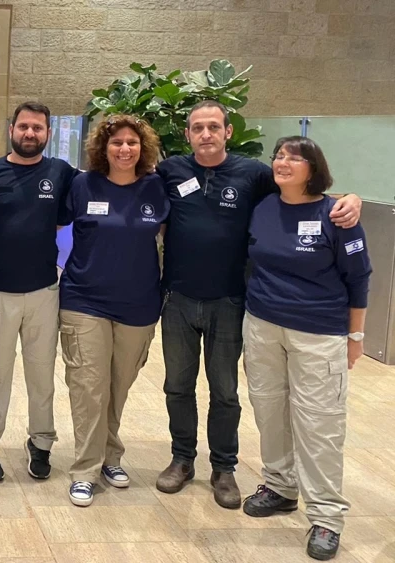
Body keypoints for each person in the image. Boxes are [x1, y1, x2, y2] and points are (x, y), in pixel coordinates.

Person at [155, 100, 362, 509]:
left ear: (228, 132)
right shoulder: (170, 170)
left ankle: (223, 467)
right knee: (177, 385)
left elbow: (304, 189)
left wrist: (351, 197)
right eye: (198, 128)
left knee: (225, 389)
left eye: (214, 126)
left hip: (230, 301)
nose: (206, 134)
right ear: (188, 134)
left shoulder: (253, 174)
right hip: (177, 298)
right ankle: (181, 459)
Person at [240, 137, 370, 561]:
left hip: (318, 333)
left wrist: (355, 337)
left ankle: (327, 517)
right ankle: (280, 486)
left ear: (313, 168)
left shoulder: (337, 214)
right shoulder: (263, 206)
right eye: (278, 155)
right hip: (261, 324)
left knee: (319, 424)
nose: (283, 162)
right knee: (269, 409)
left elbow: (359, 278)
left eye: (295, 157)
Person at [58, 115, 168, 506]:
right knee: (89, 387)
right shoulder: (82, 185)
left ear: (143, 149)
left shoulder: (158, 187)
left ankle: (110, 456)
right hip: (84, 301)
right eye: (116, 142)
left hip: (139, 304)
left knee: (117, 385)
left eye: (132, 143)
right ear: (102, 148)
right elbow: (39, 218)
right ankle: (85, 468)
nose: (124, 149)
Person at [0, 101, 79, 481]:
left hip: (44, 290)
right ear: (12, 128)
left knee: (41, 373)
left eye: (38, 128)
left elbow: (71, 210)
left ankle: (42, 442)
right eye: (24, 127)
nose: (30, 134)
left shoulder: (61, 172)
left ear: (48, 133)